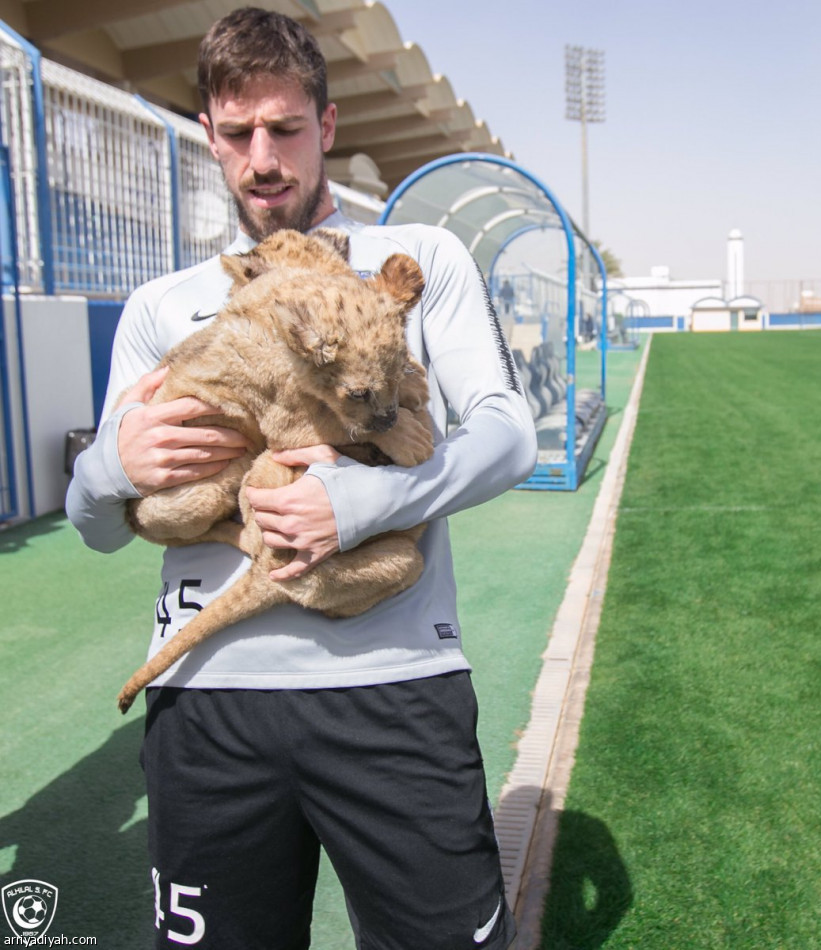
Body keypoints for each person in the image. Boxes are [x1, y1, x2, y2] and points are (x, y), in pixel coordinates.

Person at [65, 8, 537, 949]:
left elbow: (509, 434)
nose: (263, 157)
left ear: (324, 128)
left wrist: (363, 502)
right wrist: (113, 466)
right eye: (238, 134)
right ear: (210, 135)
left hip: (394, 688)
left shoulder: (421, 260)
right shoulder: (163, 306)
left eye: (284, 129)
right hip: (207, 705)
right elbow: (98, 522)